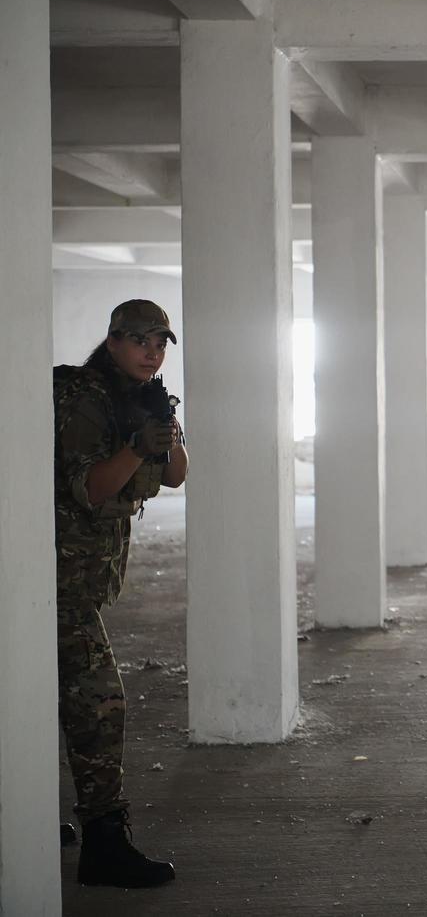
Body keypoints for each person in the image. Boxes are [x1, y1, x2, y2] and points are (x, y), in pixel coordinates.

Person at [53, 299, 188, 888]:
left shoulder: (142, 395)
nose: (151, 351)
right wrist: (135, 443)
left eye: (160, 342)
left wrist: (166, 430)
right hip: (52, 575)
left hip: (82, 575)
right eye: (139, 340)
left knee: (38, 697)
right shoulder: (84, 399)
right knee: (101, 704)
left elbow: (177, 474)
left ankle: (24, 816)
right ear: (112, 340)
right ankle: (104, 842)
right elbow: (87, 489)